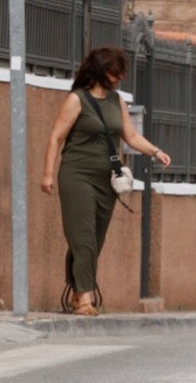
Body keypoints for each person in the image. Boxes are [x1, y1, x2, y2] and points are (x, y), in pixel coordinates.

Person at [40, 46, 172, 316]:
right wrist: (48, 174)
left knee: (93, 241)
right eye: (115, 72)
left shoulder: (117, 101)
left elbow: (131, 137)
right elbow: (56, 137)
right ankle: (85, 298)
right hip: (77, 175)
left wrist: (155, 151)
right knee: (83, 237)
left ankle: (77, 291)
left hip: (106, 181)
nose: (120, 76)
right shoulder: (77, 100)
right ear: (101, 71)